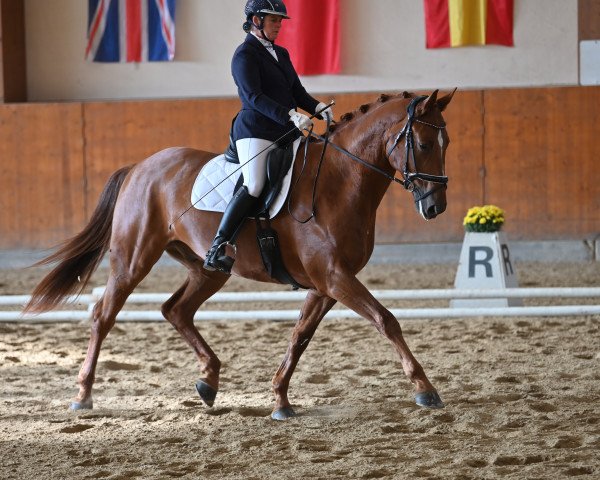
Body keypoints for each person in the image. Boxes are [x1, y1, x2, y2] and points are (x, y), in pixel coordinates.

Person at [203, 0, 334, 273]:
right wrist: (290, 115)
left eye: (280, 21)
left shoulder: (281, 53)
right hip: (256, 130)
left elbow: (296, 91)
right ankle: (220, 244)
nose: (279, 26)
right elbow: (253, 97)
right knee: (254, 183)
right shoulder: (244, 55)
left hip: (286, 129)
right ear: (256, 20)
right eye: (274, 20)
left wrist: (317, 107)